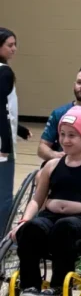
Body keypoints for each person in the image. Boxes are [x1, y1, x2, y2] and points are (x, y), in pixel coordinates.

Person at [10, 106, 81, 296]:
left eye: (72, 135)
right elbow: (36, 199)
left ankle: (58, 287)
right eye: (62, 134)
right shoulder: (51, 165)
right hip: (50, 217)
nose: (65, 140)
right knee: (30, 229)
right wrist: (24, 220)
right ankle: (30, 286)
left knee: (64, 228)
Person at [0, 28, 19, 231]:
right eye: (9, 45)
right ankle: (2, 238)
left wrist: (18, 128)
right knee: (4, 195)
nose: (14, 49)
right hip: (2, 145)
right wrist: (6, 141)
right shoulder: (4, 71)